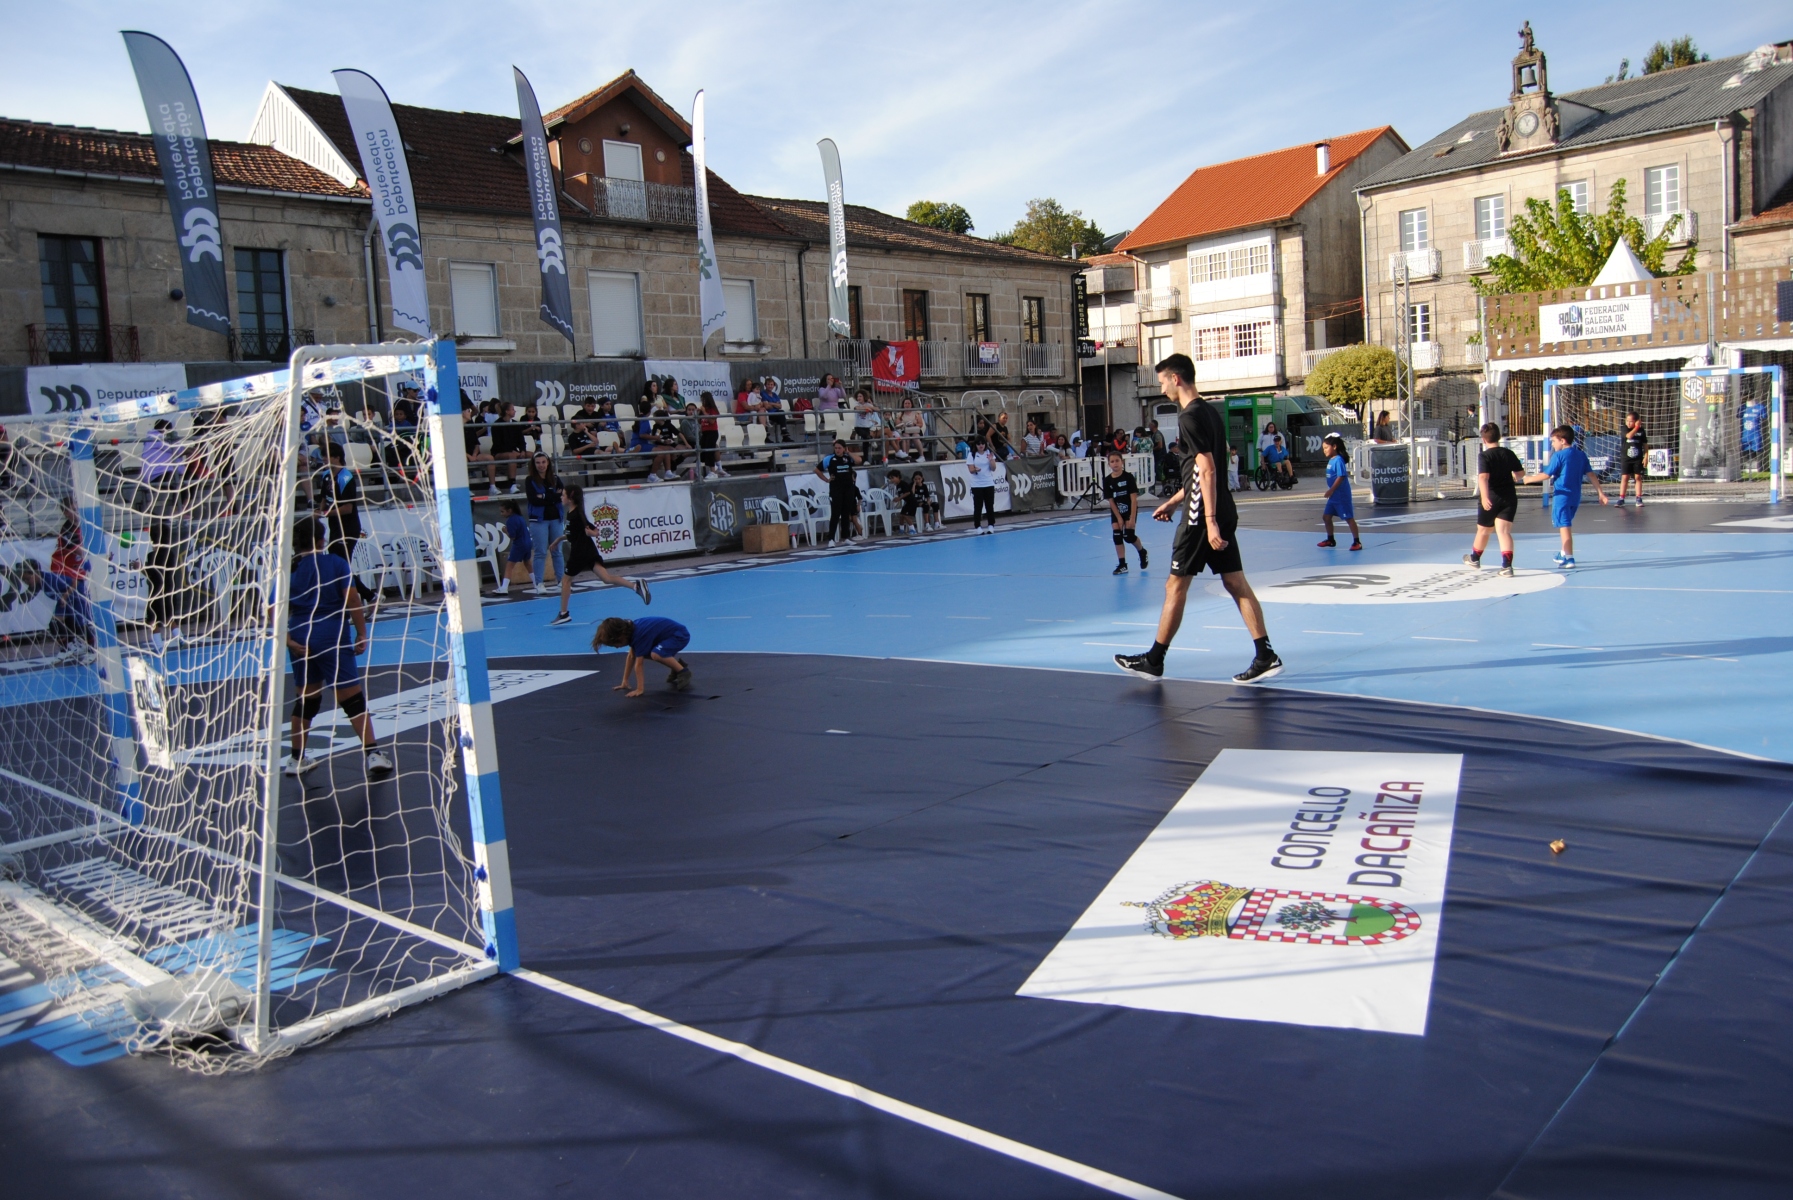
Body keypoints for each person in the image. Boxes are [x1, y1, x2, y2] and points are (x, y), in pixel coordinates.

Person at [1115, 354, 1281, 684]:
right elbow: (1200, 470)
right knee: (1235, 582)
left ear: (1176, 379)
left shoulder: (1189, 417)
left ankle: (1154, 660)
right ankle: (1265, 655)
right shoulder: (1209, 412)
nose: (1162, 389)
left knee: (1175, 585)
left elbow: (1207, 469)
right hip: (1218, 505)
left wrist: (1209, 519)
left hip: (1202, 514)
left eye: (1162, 381)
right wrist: (1175, 500)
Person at [284, 517, 392, 776]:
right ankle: (373, 754)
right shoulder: (335, 563)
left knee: (306, 700)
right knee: (352, 698)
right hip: (331, 634)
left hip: (300, 636)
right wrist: (361, 633)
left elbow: (272, 610)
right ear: (322, 540)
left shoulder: (289, 570)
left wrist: (288, 641)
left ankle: (296, 759)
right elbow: (352, 599)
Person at [548, 483, 651, 626]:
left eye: (563, 495)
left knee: (566, 580)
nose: (561, 497)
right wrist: (559, 539)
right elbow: (573, 534)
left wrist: (592, 533)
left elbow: (595, 531)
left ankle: (563, 613)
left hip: (580, 552)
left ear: (570, 498)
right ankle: (636, 586)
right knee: (606, 578)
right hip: (589, 551)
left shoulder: (577, 515)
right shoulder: (572, 513)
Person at [1524, 425, 1608, 568]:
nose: (1552, 444)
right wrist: (1601, 493)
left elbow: (1547, 475)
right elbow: (1591, 475)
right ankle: (1563, 553)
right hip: (1575, 497)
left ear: (1562, 441)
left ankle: (1569, 557)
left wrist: (1528, 479)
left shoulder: (1559, 456)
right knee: (1566, 524)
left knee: (1564, 527)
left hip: (1562, 496)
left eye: (1553, 441)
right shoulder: (1581, 455)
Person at [1463, 423, 1525, 575]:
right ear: (1499, 437)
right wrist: (1513, 476)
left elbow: (1483, 477)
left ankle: (1475, 558)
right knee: (1504, 531)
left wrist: (1484, 497)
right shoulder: (1508, 453)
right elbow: (1520, 473)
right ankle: (1507, 566)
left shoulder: (1485, 456)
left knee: (1483, 530)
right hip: (1509, 497)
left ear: (1484, 440)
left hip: (1491, 496)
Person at [595, 615, 691, 696]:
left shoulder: (639, 635)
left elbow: (639, 664)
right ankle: (677, 666)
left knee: (656, 654)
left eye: (615, 644)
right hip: (669, 636)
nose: (616, 647)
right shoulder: (632, 631)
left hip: (679, 636)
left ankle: (683, 672)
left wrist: (639, 689)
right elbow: (631, 656)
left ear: (621, 636)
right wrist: (624, 681)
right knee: (649, 653)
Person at [522, 452, 564, 594]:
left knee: (557, 551)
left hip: (556, 519)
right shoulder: (530, 480)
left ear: (548, 463)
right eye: (538, 463)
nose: (541, 465)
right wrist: (552, 496)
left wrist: (544, 496)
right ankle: (539, 583)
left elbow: (561, 496)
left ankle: (561, 581)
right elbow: (534, 500)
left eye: (543, 462)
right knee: (540, 552)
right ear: (534, 465)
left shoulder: (555, 478)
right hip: (539, 520)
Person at [1102, 450, 1148, 574]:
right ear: (1109, 464)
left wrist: (1132, 518)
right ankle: (1122, 564)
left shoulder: (1128, 477)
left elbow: (1133, 499)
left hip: (1129, 509)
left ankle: (1142, 552)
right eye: (1112, 461)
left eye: (1117, 460)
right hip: (1117, 510)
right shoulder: (1107, 480)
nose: (1115, 463)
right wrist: (1118, 517)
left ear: (1122, 462)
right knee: (1117, 535)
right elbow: (1111, 501)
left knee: (1128, 536)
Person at [1316, 434, 1362, 551]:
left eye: (1326, 448)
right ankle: (1330, 539)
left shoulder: (1338, 460)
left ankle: (1357, 542)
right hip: (1333, 497)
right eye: (1323, 448)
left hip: (1341, 495)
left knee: (1348, 518)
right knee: (1326, 517)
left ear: (1334, 446)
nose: (1324, 450)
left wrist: (1331, 490)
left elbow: (1341, 476)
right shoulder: (1331, 460)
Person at [816, 438, 863, 544]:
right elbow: (817, 470)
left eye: (839, 448)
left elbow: (859, 460)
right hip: (836, 490)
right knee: (835, 514)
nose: (837, 450)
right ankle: (831, 539)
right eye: (836, 448)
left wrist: (848, 452)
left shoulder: (848, 458)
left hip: (848, 489)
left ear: (844, 448)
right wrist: (826, 480)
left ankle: (845, 537)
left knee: (846, 513)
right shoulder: (829, 459)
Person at [494, 499, 531, 596]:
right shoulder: (520, 517)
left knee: (509, 565)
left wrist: (505, 531)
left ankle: (504, 587)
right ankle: (537, 583)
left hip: (519, 544)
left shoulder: (510, 521)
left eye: (502, 511)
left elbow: (513, 536)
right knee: (528, 563)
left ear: (509, 510)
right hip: (528, 543)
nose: (501, 514)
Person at [1614, 411, 1647, 507]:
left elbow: (1645, 444)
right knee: (1625, 477)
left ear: (1636, 421)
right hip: (1626, 457)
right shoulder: (1624, 428)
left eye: (1631, 421)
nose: (1628, 423)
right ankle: (1621, 498)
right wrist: (1636, 427)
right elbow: (1629, 436)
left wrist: (1646, 456)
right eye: (1627, 421)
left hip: (1637, 458)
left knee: (1638, 477)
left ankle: (1638, 498)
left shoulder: (1641, 431)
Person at [967, 436, 998, 533]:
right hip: (977, 484)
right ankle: (978, 526)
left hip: (988, 483)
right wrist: (975, 469)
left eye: (982, 443)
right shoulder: (971, 455)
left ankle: (991, 525)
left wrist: (991, 460)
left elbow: (993, 468)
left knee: (990, 505)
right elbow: (971, 470)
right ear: (975, 445)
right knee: (978, 506)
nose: (981, 445)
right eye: (978, 444)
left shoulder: (989, 453)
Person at [698, 392, 724, 479]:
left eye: (703, 400)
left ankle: (713, 471)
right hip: (704, 432)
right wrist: (698, 413)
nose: (702, 401)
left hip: (712, 432)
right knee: (704, 451)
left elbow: (712, 421)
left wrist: (704, 412)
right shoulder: (703, 409)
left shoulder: (712, 409)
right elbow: (700, 421)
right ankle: (713, 468)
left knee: (709, 451)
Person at [852, 389, 882, 460]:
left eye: (860, 396)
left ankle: (866, 460)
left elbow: (877, 409)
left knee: (865, 442)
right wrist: (867, 408)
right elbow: (857, 408)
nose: (859, 398)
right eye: (858, 396)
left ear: (864, 397)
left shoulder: (868, 404)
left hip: (867, 427)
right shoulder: (856, 404)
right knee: (866, 436)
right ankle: (871, 439)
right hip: (858, 426)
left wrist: (871, 407)